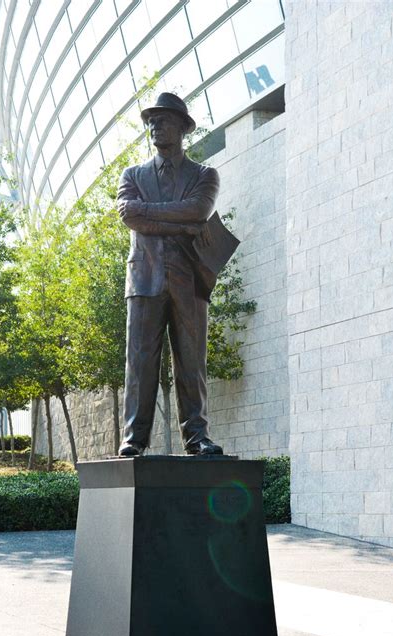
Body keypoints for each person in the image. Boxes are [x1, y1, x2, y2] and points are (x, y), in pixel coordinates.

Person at [117, 92, 223, 457]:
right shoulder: (132, 175)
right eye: (151, 121)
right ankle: (134, 438)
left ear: (181, 126)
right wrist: (184, 225)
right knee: (141, 362)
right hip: (144, 279)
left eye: (162, 120)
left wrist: (153, 216)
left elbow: (199, 209)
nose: (154, 126)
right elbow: (130, 216)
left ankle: (197, 436)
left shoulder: (204, 175)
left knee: (192, 361)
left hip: (189, 279)